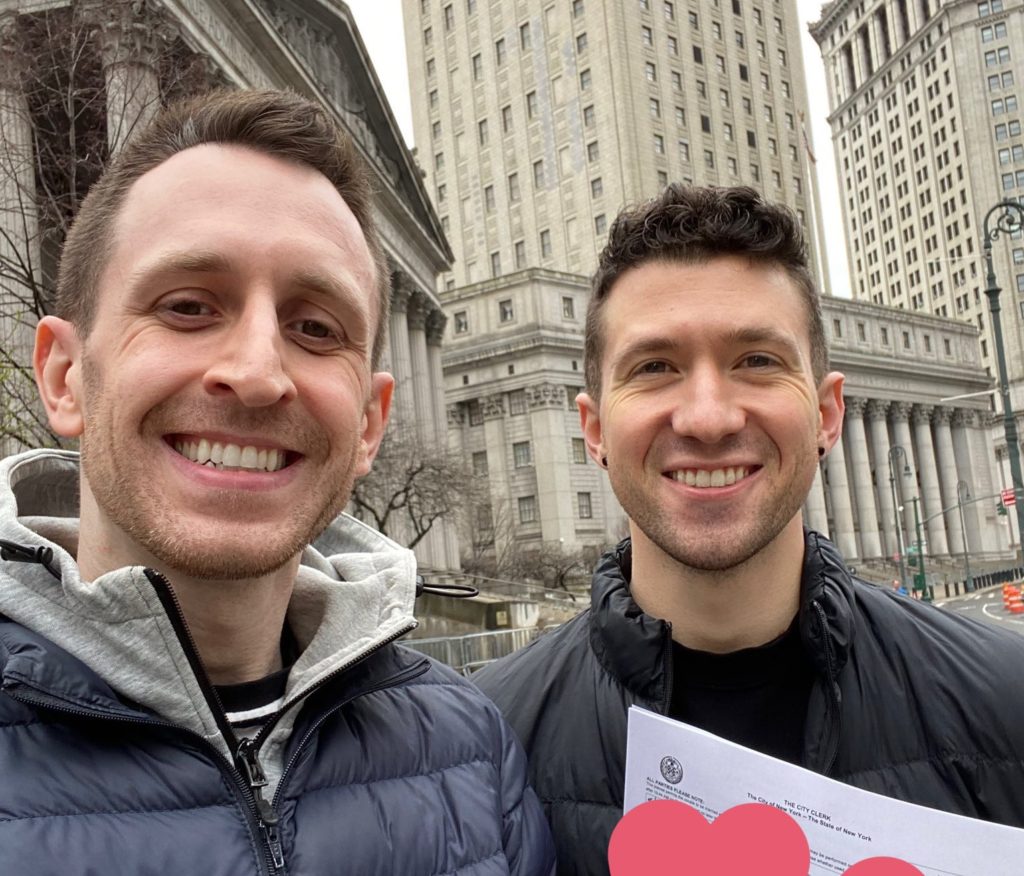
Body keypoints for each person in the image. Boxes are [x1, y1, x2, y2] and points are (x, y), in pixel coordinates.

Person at [0, 89, 553, 875]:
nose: (258, 373)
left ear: (369, 421)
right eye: (188, 306)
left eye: (315, 327)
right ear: (63, 378)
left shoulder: (473, 749)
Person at [474, 184, 1024, 875]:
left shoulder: (1009, 700)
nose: (708, 417)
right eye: (654, 368)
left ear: (826, 414)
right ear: (594, 430)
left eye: (757, 361)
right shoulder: (478, 745)